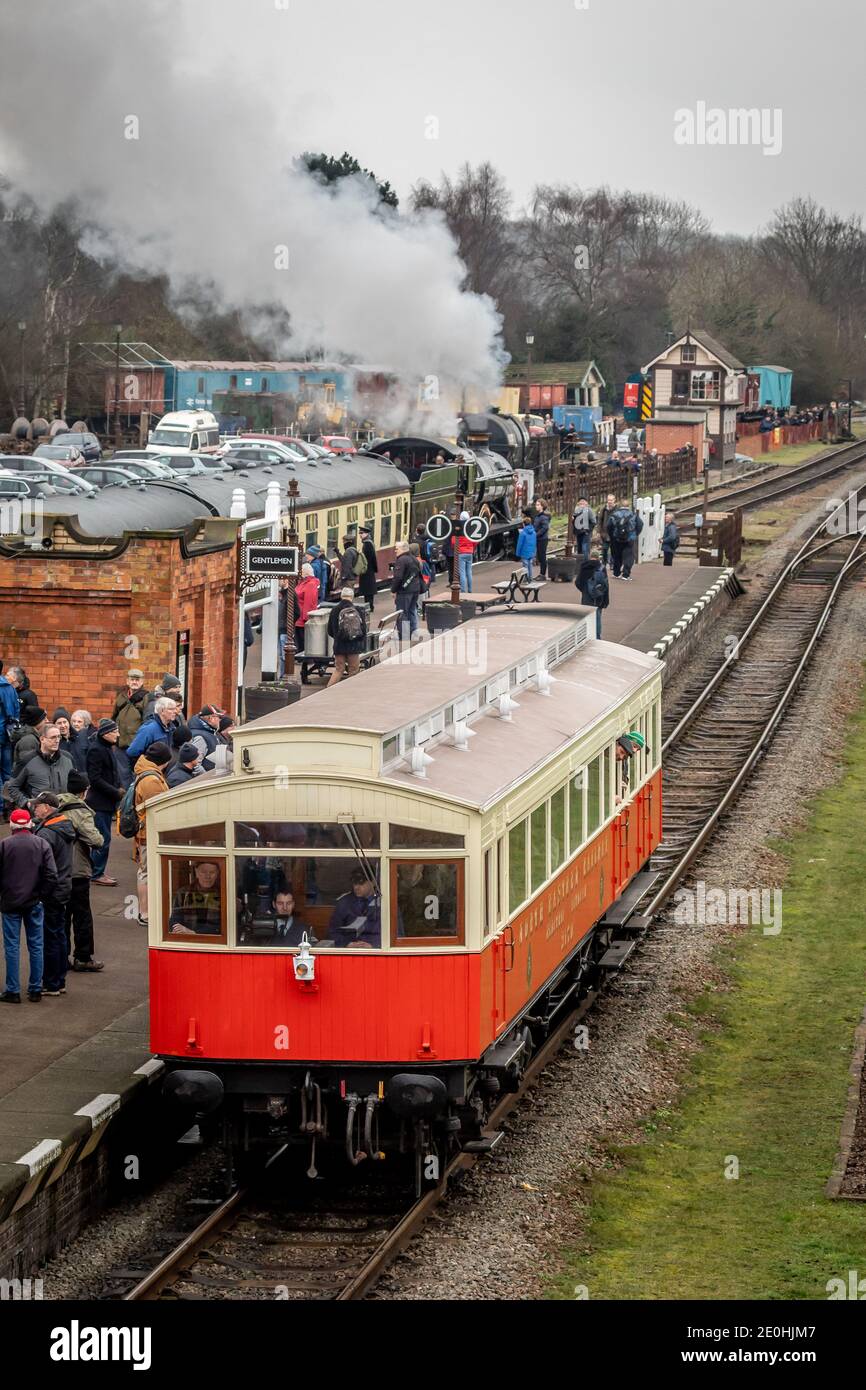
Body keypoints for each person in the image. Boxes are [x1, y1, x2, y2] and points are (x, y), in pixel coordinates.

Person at [0, 807, 59, 1003]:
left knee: (12, 947)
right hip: (34, 902)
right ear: (30, 824)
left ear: (12, 825)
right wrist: (42, 896)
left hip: (10, 903)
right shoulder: (41, 844)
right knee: (36, 945)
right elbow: (52, 875)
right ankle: (35, 989)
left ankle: (12, 990)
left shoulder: (4, 845)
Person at [57, 770, 104, 972]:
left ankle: (61, 956)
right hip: (78, 869)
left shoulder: (55, 805)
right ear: (84, 791)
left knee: (62, 916)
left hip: (58, 868)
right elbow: (96, 840)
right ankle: (83, 956)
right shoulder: (81, 811)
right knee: (82, 915)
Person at [32, 793, 76, 997]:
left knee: (50, 937)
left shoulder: (47, 834)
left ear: (47, 808)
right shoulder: (64, 825)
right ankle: (59, 980)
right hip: (63, 886)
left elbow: (41, 866)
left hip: (51, 890)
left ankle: (51, 982)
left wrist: (40, 892)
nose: (34, 809)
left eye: (37, 806)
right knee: (59, 935)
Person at [133, 740, 172, 927]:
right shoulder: (151, 780)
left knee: (146, 872)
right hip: (148, 833)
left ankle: (146, 910)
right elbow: (159, 809)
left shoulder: (147, 771)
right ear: (162, 761)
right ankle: (145, 913)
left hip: (146, 831)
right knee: (146, 872)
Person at [85, 719, 124, 886]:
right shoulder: (96, 750)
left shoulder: (107, 747)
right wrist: (115, 792)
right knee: (102, 839)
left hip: (106, 802)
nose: (118, 734)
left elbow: (112, 773)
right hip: (99, 803)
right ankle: (96, 873)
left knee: (103, 838)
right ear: (106, 733)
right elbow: (95, 779)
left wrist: (120, 785)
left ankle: (97, 871)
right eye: (115, 731)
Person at [4, 724, 73, 808]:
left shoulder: (68, 758)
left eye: (59, 737)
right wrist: (26, 803)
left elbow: (75, 784)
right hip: (39, 816)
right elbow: (12, 786)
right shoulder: (27, 760)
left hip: (64, 812)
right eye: (53, 737)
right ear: (42, 739)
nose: (57, 740)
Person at [327, 868, 381, 948]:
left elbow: (395, 934)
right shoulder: (344, 903)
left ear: (373, 882)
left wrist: (374, 945)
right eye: (354, 883)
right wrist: (346, 944)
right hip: (349, 951)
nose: (356, 887)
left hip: (376, 952)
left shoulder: (385, 903)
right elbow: (333, 932)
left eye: (361, 883)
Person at [168, 860, 222, 936]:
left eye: (212, 872)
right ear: (196, 872)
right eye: (203, 872)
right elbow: (174, 919)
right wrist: (180, 929)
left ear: (217, 874)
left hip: (214, 940)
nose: (207, 876)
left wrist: (194, 933)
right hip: (187, 939)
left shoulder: (223, 894)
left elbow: (222, 925)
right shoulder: (184, 892)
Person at [327, 587, 367, 686]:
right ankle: (349, 692)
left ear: (341, 596)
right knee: (353, 671)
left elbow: (330, 630)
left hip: (339, 646)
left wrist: (338, 637)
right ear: (352, 597)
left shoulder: (335, 610)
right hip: (353, 646)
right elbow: (363, 630)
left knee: (338, 670)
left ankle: (328, 690)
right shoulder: (357, 610)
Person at [112, 669, 147, 779]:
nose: (134, 682)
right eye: (132, 679)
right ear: (127, 681)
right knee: (123, 776)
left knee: (137, 775)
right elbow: (114, 717)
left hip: (137, 745)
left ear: (142, 682)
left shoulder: (146, 698)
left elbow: (147, 722)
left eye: (137, 680)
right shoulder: (121, 697)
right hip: (120, 745)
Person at [126, 696, 181, 762]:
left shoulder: (172, 727)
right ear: (162, 711)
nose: (175, 711)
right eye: (171, 709)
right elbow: (132, 752)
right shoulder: (149, 729)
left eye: (175, 708)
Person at [391, 539, 421, 641]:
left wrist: (393, 590)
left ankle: (404, 635)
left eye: (396, 549)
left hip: (405, 591)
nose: (395, 551)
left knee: (402, 613)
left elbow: (398, 577)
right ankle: (414, 631)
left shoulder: (401, 560)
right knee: (412, 611)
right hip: (415, 589)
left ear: (403, 549)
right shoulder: (414, 559)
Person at [576, 549, 610, 638]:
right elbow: (605, 585)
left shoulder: (583, 566)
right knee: (597, 617)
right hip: (598, 597)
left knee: (586, 617)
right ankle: (597, 637)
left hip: (586, 597)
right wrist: (605, 600)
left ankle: (587, 636)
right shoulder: (601, 568)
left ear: (590, 557)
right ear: (598, 557)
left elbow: (578, 582)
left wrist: (584, 590)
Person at [606, 504, 643, 581]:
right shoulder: (633, 514)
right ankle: (626, 575)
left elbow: (609, 526)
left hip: (616, 538)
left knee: (617, 555)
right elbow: (640, 524)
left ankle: (616, 573)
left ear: (620, 506)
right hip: (629, 539)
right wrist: (635, 534)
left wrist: (612, 535)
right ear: (628, 506)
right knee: (629, 556)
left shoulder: (614, 515)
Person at [292, 565, 321, 658]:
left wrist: (306, 618)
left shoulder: (310, 584)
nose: (299, 572)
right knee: (299, 639)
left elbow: (309, 603)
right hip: (298, 617)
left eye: (301, 571)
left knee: (303, 640)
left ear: (306, 572)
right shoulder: (303, 583)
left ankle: (304, 659)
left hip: (302, 619)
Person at [10, 706, 48, 771]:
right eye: (44, 719)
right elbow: (27, 766)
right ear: (36, 722)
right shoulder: (28, 741)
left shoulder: (33, 737)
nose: (47, 721)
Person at [0, 666, 21, 782]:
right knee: (7, 771)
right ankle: (8, 799)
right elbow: (16, 711)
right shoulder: (10, 688)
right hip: (9, 734)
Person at [188, 704, 224, 769]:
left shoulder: (209, 733)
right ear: (211, 718)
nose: (220, 720)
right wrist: (205, 776)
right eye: (219, 717)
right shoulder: (200, 737)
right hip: (206, 778)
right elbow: (194, 765)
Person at [615, 730, 646, 802]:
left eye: (637, 749)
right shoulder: (621, 758)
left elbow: (624, 774)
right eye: (634, 746)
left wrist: (623, 782)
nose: (634, 750)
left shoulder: (624, 759)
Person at [357, 525, 378, 611]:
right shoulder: (368, 543)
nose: (360, 535)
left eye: (362, 533)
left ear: (367, 534)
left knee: (368, 589)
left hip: (367, 570)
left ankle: (369, 606)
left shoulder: (367, 544)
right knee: (368, 589)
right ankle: (369, 605)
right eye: (360, 533)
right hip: (369, 569)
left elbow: (370, 557)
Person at [457, 511, 477, 593]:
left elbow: (453, 542)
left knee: (462, 573)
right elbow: (475, 541)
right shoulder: (471, 528)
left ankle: (463, 590)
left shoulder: (458, 528)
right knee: (469, 572)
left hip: (461, 552)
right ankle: (470, 590)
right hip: (469, 552)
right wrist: (472, 548)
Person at [516, 509, 538, 580]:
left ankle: (526, 578)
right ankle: (530, 577)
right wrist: (534, 552)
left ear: (523, 524)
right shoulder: (534, 533)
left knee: (525, 566)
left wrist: (518, 553)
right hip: (531, 552)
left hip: (524, 552)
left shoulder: (523, 533)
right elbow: (535, 543)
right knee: (530, 565)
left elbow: (520, 544)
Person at [597, 494, 618, 568]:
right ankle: (604, 562)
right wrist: (599, 531)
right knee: (605, 549)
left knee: (613, 550)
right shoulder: (604, 509)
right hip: (605, 533)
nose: (609, 502)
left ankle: (612, 563)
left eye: (611, 500)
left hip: (614, 533)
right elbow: (600, 520)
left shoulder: (617, 509)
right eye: (608, 500)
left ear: (614, 500)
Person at [533, 499, 550, 578]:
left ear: (542, 506)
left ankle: (543, 574)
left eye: (538, 505)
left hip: (542, 539)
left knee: (542, 556)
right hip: (539, 538)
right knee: (540, 556)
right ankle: (541, 574)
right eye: (536, 504)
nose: (536, 506)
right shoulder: (538, 516)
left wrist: (536, 534)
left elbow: (545, 527)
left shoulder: (543, 517)